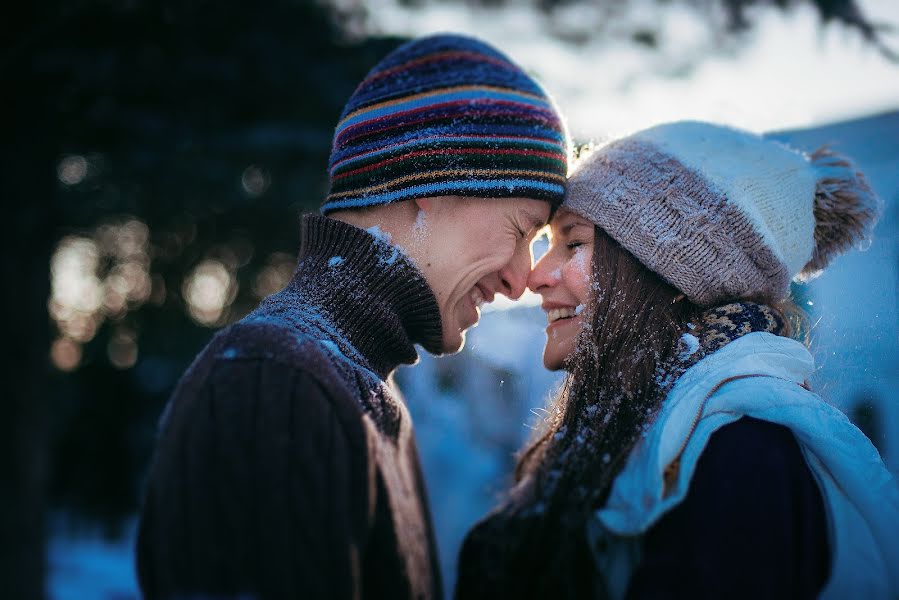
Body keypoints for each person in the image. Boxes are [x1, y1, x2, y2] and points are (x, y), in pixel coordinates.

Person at [136, 33, 569, 600]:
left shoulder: (356, 390)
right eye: (520, 231)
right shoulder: (275, 385)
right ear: (427, 179)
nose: (520, 281)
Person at [456, 121, 899, 599]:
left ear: (667, 274)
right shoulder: (653, 425)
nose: (535, 277)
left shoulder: (741, 455)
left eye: (574, 242)